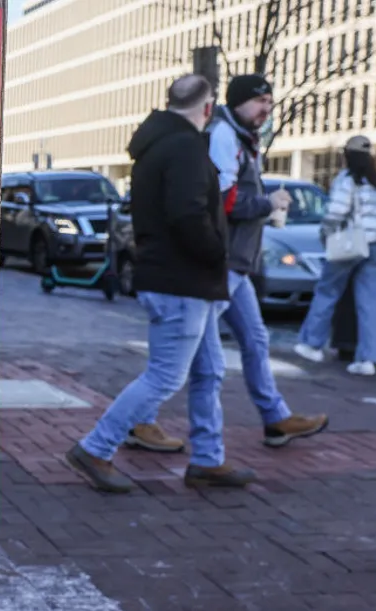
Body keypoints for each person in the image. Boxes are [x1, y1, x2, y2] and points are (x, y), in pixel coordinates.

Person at [66, 74, 256, 493]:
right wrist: (216, 254)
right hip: (183, 280)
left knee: (209, 370)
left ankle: (208, 459)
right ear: (207, 109)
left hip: (182, 279)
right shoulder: (186, 147)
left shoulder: (157, 146)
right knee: (166, 376)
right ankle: (96, 447)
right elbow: (187, 216)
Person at [206, 74, 328, 447]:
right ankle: (139, 420)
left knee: (255, 340)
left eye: (270, 104)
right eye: (261, 102)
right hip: (224, 261)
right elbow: (223, 202)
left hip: (236, 264)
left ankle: (275, 418)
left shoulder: (240, 137)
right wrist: (267, 203)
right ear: (239, 101)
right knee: (190, 352)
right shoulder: (224, 136)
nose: (267, 110)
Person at [293, 136, 376, 376]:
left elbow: (336, 212)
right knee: (370, 302)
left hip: (349, 243)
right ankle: (368, 359)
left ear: (346, 155)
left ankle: (311, 344)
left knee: (327, 291)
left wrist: (325, 234)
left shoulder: (347, 180)